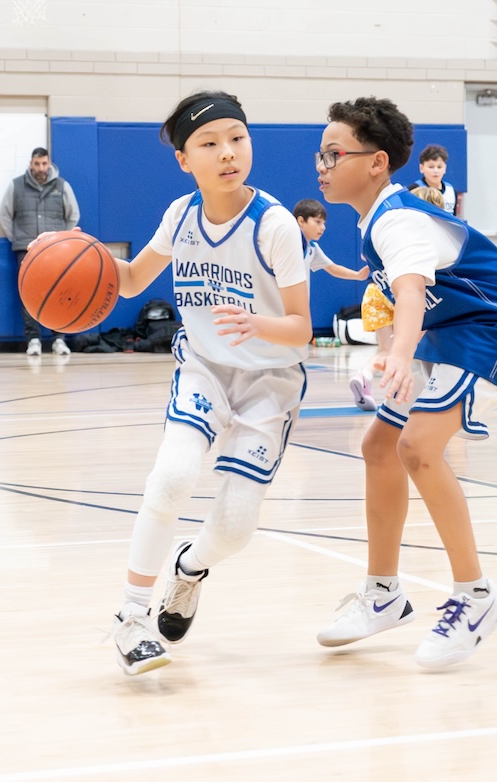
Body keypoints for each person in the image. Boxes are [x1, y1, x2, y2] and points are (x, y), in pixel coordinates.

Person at [314, 97, 497, 669]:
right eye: (319, 153)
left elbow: (413, 292)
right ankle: (384, 594)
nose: (321, 164)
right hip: (451, 330)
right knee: (379, 447)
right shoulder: (375, 221)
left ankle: (477, 596)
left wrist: (400, 352)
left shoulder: (397, 220)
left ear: (376, 162)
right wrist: (397, 350)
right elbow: (404, 300)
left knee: (417, 447)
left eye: (333, 153)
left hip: (494, 327)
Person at [95, 91, 311, 675]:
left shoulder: (275, 224)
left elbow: (302, 330)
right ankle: (132, 618)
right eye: (209, 143)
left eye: (237, 138)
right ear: (184, 159)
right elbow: (134, 280)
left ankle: (189, 571)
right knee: (172, 478)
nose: (227, 153)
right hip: (206, 371)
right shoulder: (180, 215)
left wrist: (257, 322)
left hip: (269, 382)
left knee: (236, 528)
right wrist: (70, 249)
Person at [348, 187, 442, 411]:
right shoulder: (420, 239)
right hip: (398, 291)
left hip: (374, 291)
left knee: (387, 350)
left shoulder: (382, 229)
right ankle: (425, 395)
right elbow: (413, 291)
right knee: (413, 346)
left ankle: (365, 375)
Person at [0, 147, 80, 357]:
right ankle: (33, 339)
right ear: (30, 164)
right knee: (30, 295)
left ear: (49, 163)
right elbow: (5, 215)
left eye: (44, 164)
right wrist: (18, 238)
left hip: (57, 251)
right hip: (27, 248)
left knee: (61, 293)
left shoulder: (62, 186)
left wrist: (62, 239)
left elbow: (73, 215)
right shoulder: (16, 185)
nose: (41, 168)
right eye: (37, 164)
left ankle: (59, 339)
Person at [293, 198, 368, 283]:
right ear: (301, 221)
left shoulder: (313, 248)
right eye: (318, 222)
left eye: (323, 223)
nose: (323, 227)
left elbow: (333, 269)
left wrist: (359, 275)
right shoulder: (287, 243)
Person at [411, 144, 459, 216]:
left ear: (445, 168)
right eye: (431, 167)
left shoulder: (451, 191)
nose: (436, 171)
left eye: (439, 167)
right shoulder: (414, 190)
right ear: (421, 168)